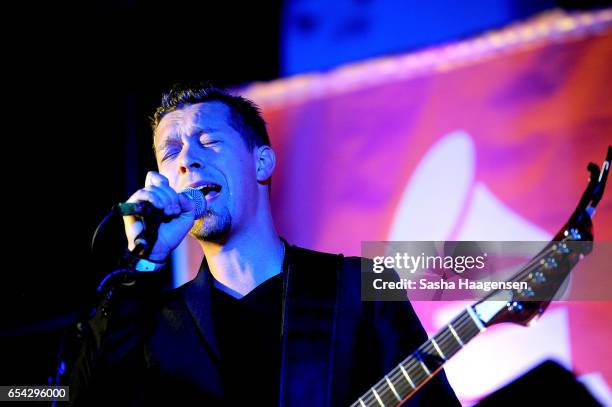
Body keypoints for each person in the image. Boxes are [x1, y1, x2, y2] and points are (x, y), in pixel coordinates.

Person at [64, 84, 460, 406]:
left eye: (208, 140)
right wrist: (144, 262)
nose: (187, 160)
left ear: (262, 163)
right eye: (171, 151)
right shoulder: (152, 322)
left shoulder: (360, 285)